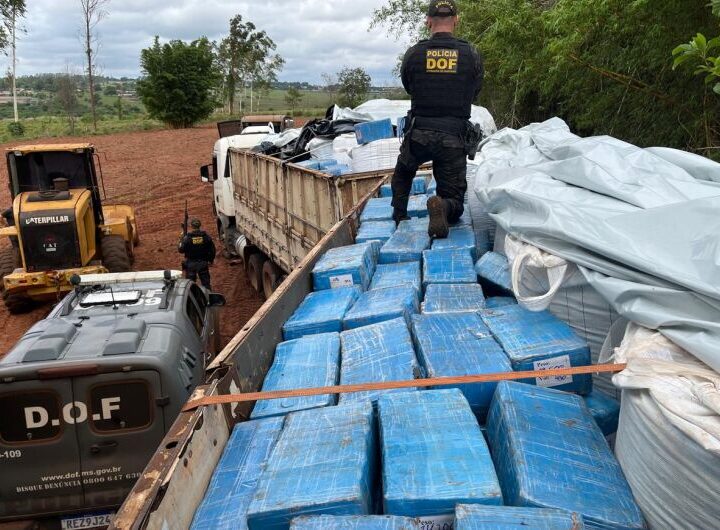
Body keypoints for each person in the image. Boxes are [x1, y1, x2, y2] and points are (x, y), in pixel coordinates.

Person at [392, 0, 484, 238]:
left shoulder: (414, 54)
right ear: (456, 20)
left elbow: (409, 87)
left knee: (403, 173)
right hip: (453, 139)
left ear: (428, 21)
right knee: (455, 201)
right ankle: (443, 207)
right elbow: (475, 91)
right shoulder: (470, 54)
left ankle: (399, 215)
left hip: (419, 133)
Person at [178, 219, 216, 290]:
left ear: (192, 226)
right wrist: (210, 260)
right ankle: (208, 298)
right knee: (206, 284)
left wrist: (181, 240)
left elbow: (181, 250)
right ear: (199, 225)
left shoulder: (187, 238)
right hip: (203, 263)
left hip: (191, 264)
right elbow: (212, 250)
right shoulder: (206, 237)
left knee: (190, 285)